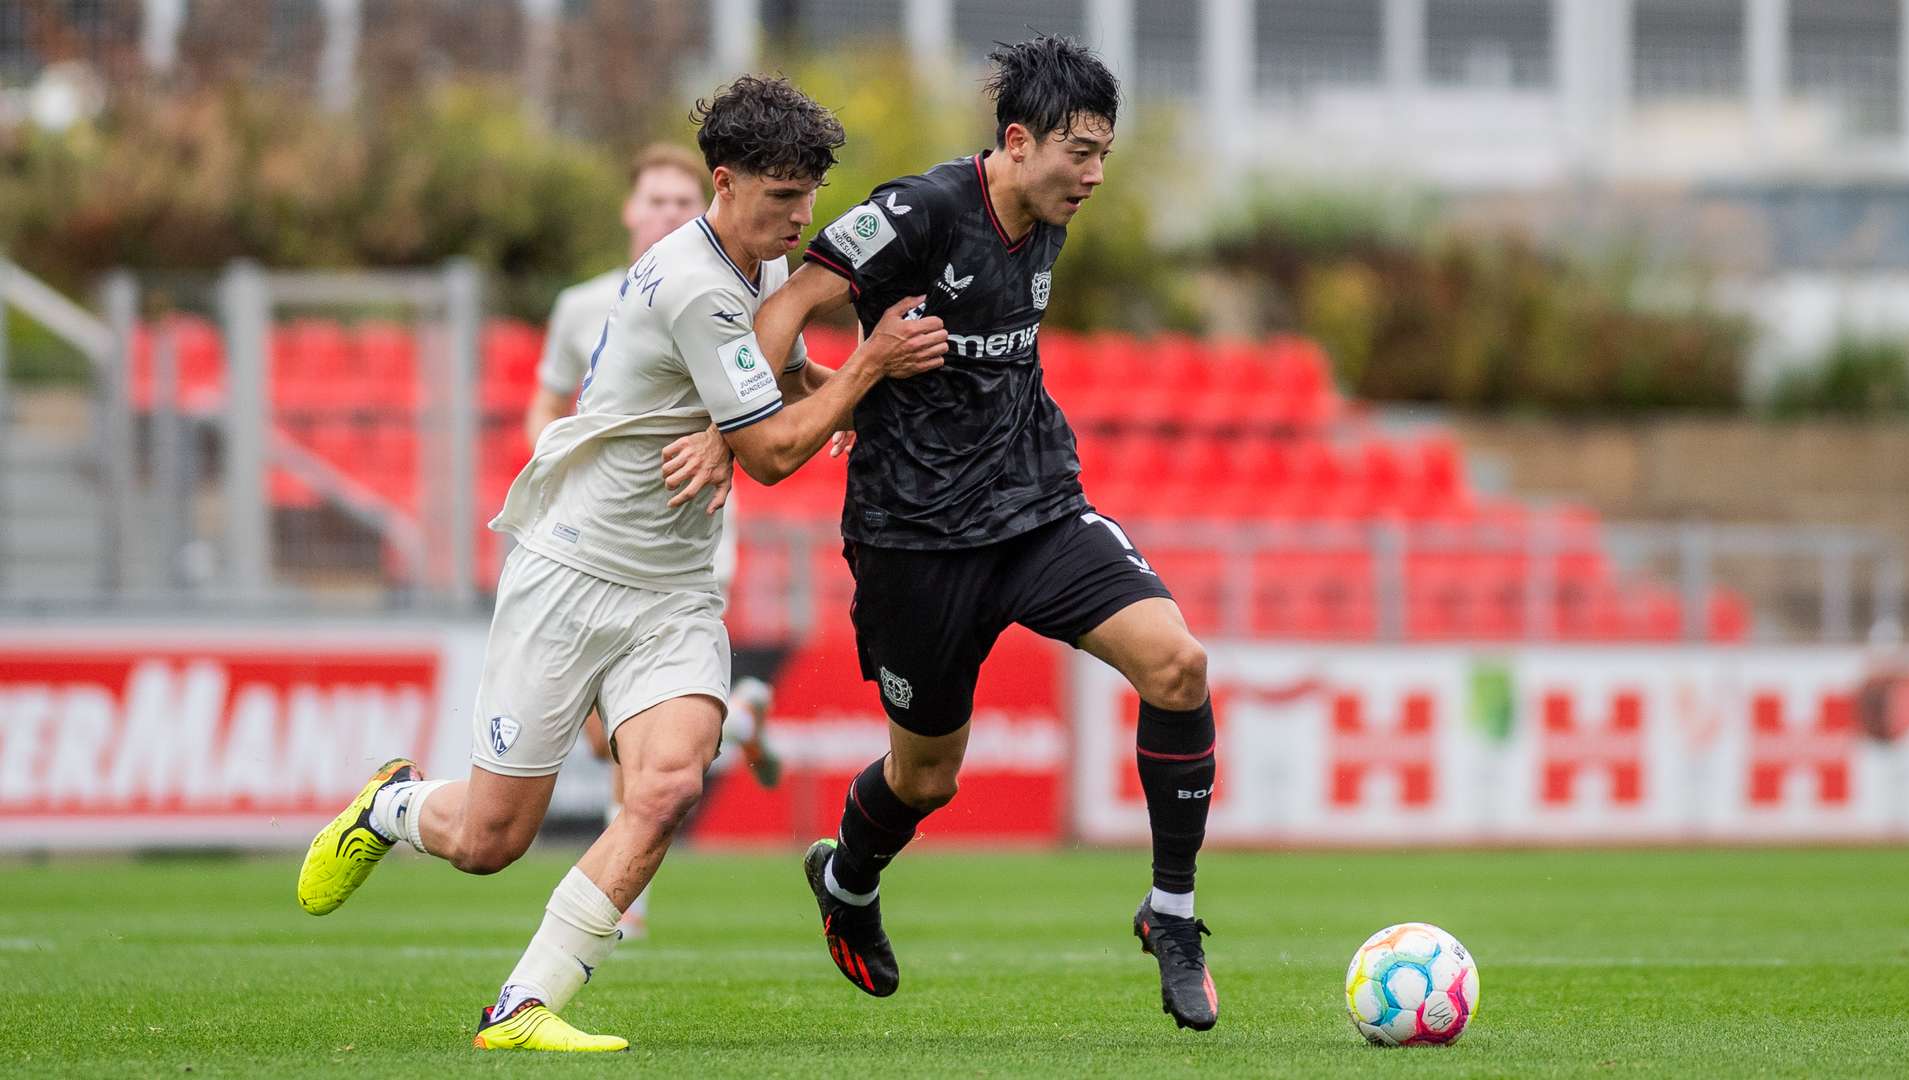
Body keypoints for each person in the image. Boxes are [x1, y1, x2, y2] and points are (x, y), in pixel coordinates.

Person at [295, 74, 948, 1052]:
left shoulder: (759, 263)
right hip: (571, 571)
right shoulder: (690, 281)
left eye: (810, 195)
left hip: (673, 589)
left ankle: (521, 1005)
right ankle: (391, 805)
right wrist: (859, 373)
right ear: (721, 182)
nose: (800, 217)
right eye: (781, 197)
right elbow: (773, 453)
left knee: (669, 785)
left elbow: (767, 388)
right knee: (489, 840)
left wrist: (806, 388)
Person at [751, 35, 1222, 1031]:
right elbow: (783, 308)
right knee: (928, 777)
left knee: (1177, 664)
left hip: (1037, 508)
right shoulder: (918, 211)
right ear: (1017, 141)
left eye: (1105, 154)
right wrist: (830, 390)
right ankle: (848, 880)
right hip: (913, 541)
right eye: (1079, 154)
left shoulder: (1048, 209)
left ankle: (1172, 913)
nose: (1094, 176)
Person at [524, 141, 781, 941]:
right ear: (630, 211)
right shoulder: (582, 305)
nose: (669, 214)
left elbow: (759, 385)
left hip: (690, 526)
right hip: (594, 530)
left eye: (681, 201)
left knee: (632, 725)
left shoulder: (727, 286)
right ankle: (736, 720)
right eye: (655, 201)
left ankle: (622, 898)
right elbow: (547, 403)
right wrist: (556, 472)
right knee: (606, 737)